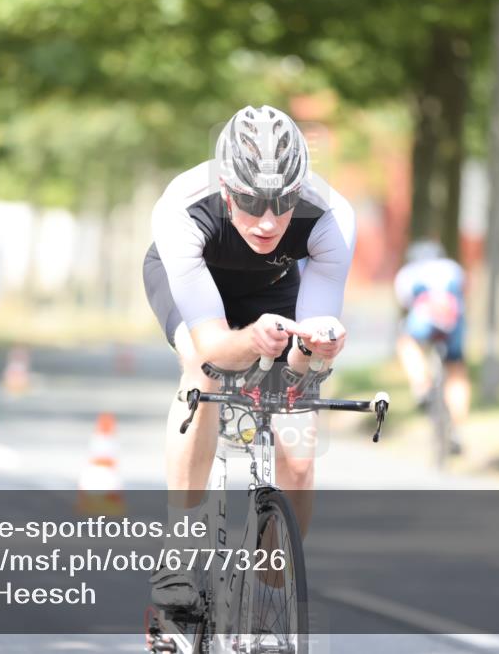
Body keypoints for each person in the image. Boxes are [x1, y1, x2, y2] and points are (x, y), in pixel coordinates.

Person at [142, 105, 356, 611]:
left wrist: (314, 349)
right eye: (250, 202)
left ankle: (270, 585)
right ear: (224, 190)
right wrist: (253, 341)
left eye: (282, 203)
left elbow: (308, 353)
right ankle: (180, 548)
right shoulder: (182, 209)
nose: (266, 221)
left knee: (299, 454)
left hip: (274, 292)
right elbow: (216, 346)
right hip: (195, 287)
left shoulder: (330, 217)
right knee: (202, 370)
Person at [394, 240, 469, 454]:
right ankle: (458, 430)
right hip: (454, 316)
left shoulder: (408, 272)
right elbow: (464, 292)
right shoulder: (453, 267)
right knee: (456, 370)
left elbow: (406, 302)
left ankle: (422, 387)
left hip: (425, 314)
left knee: (406, 342)